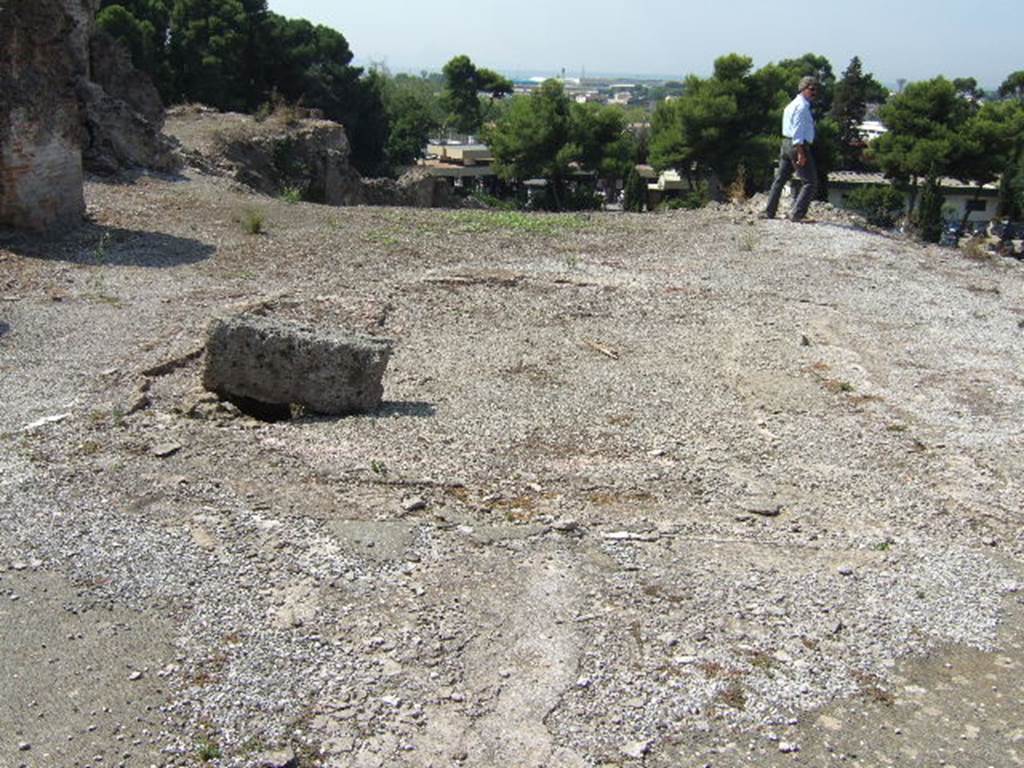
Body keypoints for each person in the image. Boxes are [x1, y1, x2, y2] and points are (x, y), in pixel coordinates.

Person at [763, 76, 819, 222]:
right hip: (797, 145)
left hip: (786, 143)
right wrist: (801, 152)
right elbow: (797, 130)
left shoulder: (791, 105)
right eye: (812, 89)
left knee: (780, 179)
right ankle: (797, 214)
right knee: (810, 182)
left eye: (816, 90)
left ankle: (769, 211)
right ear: (803, 89)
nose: (814, 93)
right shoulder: (802, 107)